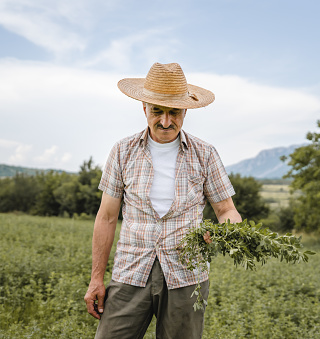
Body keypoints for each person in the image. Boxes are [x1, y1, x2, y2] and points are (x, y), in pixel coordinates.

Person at [84, 62, 242, 338]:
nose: (166, 122)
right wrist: (97, 278)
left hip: (186, 275)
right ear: (144, 108)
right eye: (157, 111)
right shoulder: (122, 152)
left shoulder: (205, 154)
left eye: (174, 112)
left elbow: (227, 210)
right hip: (131, 270)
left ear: (185, 111)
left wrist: (220, 230)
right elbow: (107, 217)